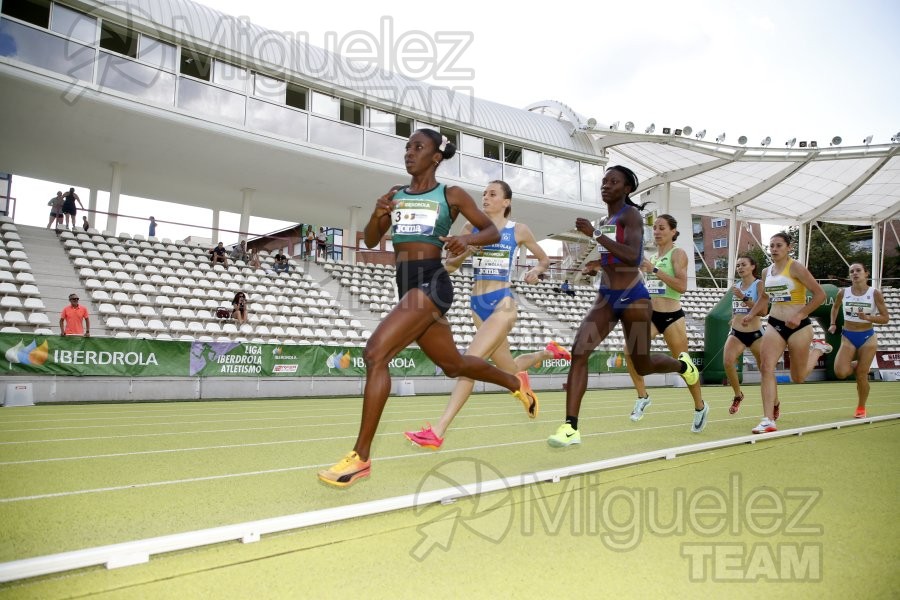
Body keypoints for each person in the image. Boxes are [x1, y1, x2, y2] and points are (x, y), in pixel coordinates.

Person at [317, 128, 538, 487]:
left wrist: (465, 238)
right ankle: (514, 382)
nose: (409, 153)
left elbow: (491, 233)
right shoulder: (395, 194)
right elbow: (373, 239)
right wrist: (377, 213)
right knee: (453, 365)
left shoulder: (450, 195)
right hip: (405, 285)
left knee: (375, 353)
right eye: (407, 147)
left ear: (436, 156)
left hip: (432, 283)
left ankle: (360, 458)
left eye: (418, 147)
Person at [404, 180, 567, 449]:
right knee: (511, 368)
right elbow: (452, 267)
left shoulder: (519, 230)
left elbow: (544, 258)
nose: (486, 198)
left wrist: (536, 271)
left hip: (502, 302)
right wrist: (469, 247)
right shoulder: (471, 229)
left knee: (469, 363)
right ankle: (548, 353)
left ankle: (438, 431)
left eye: (493, 194)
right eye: (484, 194)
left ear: (506, 202)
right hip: (477, 305)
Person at [547, 166, 700, 448]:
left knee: (642, 365)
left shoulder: (631, 215)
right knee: (580, 350)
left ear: (627, 188)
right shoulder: (608, 219)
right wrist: (597, 263)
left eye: (613, 181)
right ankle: (571, 428)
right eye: (604, 181)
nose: (606, 185)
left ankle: (682, 365)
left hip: (633, 297)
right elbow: (613, 257)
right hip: (606, 296)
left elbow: (632, 256)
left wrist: (594, 235)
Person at [624, 214, 708, 429]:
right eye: (655, 229)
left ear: (673, 231)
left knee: (684, 364)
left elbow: (681, 287)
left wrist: (654, 271)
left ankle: (699, 406)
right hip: (651, 315)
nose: (657, 232)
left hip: (672, 317)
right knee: (629, 349)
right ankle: (643, 397)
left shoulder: (677, 254)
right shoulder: (652, 258)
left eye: (662, 228)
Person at [742, 232, 828, 434]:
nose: (774, 249)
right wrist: (751, 314)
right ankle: (767, 419)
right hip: (774, 323)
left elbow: (820, 295)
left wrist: (800, 315)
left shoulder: (796, 267)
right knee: (765, 366)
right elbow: (764, 298)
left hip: (799, 326)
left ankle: (817, 350)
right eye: (771, 245)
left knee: (797, 377)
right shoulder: (766, 272)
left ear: (789, 247)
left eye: (779, 245)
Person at [828, 263, 890, 418]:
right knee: (840, 372)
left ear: (866, 273)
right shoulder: (843, 292)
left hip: (867, 336)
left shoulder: (875, 293)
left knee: (861, 375)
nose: (854, 273)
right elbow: (835, 308)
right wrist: (833, 323)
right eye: (851, 271)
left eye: (858, 270)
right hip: (848, 335)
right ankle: (857, 364)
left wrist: (867, 317)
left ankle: (861, 407)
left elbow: (885, 318)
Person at [723, 254, 770, 414]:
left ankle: (774, 402)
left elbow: (763, 311)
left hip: (756, 334)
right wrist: (733, 318)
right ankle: (738, 395)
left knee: (765, 369)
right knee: (728, 362)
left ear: (752, 267)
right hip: (737, 333)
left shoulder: (759, 284)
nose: (740, 268)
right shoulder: (736, 286)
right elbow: (737, 308)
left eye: (743, 264)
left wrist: (743, 297)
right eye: (737, 266)